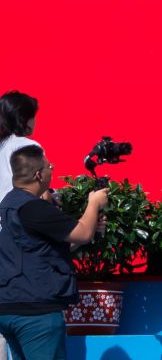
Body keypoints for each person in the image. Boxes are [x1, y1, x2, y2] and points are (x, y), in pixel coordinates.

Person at [1, 146, 108, 360]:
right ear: (38, 175)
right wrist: (94, 203)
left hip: (9, 306)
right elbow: (83, 233)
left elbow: (43, 249)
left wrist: (88, 227)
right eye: (49, 166)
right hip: (36, 312)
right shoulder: (33, 207)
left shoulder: (8, 204)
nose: (52, 170)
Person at [0, 93, 39, 189]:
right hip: (19, 198)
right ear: (23, 119)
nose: (35, 121)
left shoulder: (4, 144)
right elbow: (36, 188)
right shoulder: (27, 146)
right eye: (33, 116)